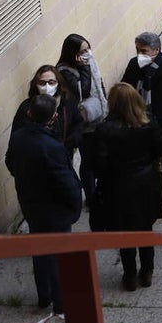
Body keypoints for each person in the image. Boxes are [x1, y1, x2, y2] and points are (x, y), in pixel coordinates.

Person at [5, 95, 82, 314]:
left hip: (31, 204)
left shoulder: (19, 137)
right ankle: (61, 302)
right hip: (55, 209)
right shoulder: (51, 146)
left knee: (39, 250)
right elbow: (65, 180)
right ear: (53, 117)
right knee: (58, 255)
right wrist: (74, 203)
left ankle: (44, 296)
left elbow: (10, 161)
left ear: (29, 114)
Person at [92, 83, 162, 291]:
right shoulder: (148, 123)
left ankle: (130, 274)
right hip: (145, 183)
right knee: (145, 228)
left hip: (117, 187)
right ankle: (147, 270)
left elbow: (99, 164)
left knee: (124, 232)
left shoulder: (105, 130)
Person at [120, 32, 162, 223]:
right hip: (140, 123)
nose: (139, 54)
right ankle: (154, 200)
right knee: (150, 166)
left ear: (156, 50)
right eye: (137, 50)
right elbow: (125, 88)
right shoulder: (134, 64)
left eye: (144, 51)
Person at [57, 34, 107, 205]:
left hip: (98, 117)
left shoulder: (89, 63)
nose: (87, 53)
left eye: (88, 49)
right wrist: (84, 68)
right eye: (83, 51)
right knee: (88, 160)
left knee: (99, 156)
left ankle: (100, 191)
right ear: (73, 54)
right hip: (83, 122)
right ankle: (91, 197)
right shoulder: (64, 71)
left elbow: (99, 85)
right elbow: (83, 91)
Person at [11, 64, 83, 161]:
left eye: (51, 82)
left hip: (64, 155)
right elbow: (16, 139)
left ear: (58, 83)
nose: (47, 86)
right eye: (42, 83)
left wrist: (70, 143)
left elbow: (78, 123)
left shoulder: (67, 103)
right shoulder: (26, 108)